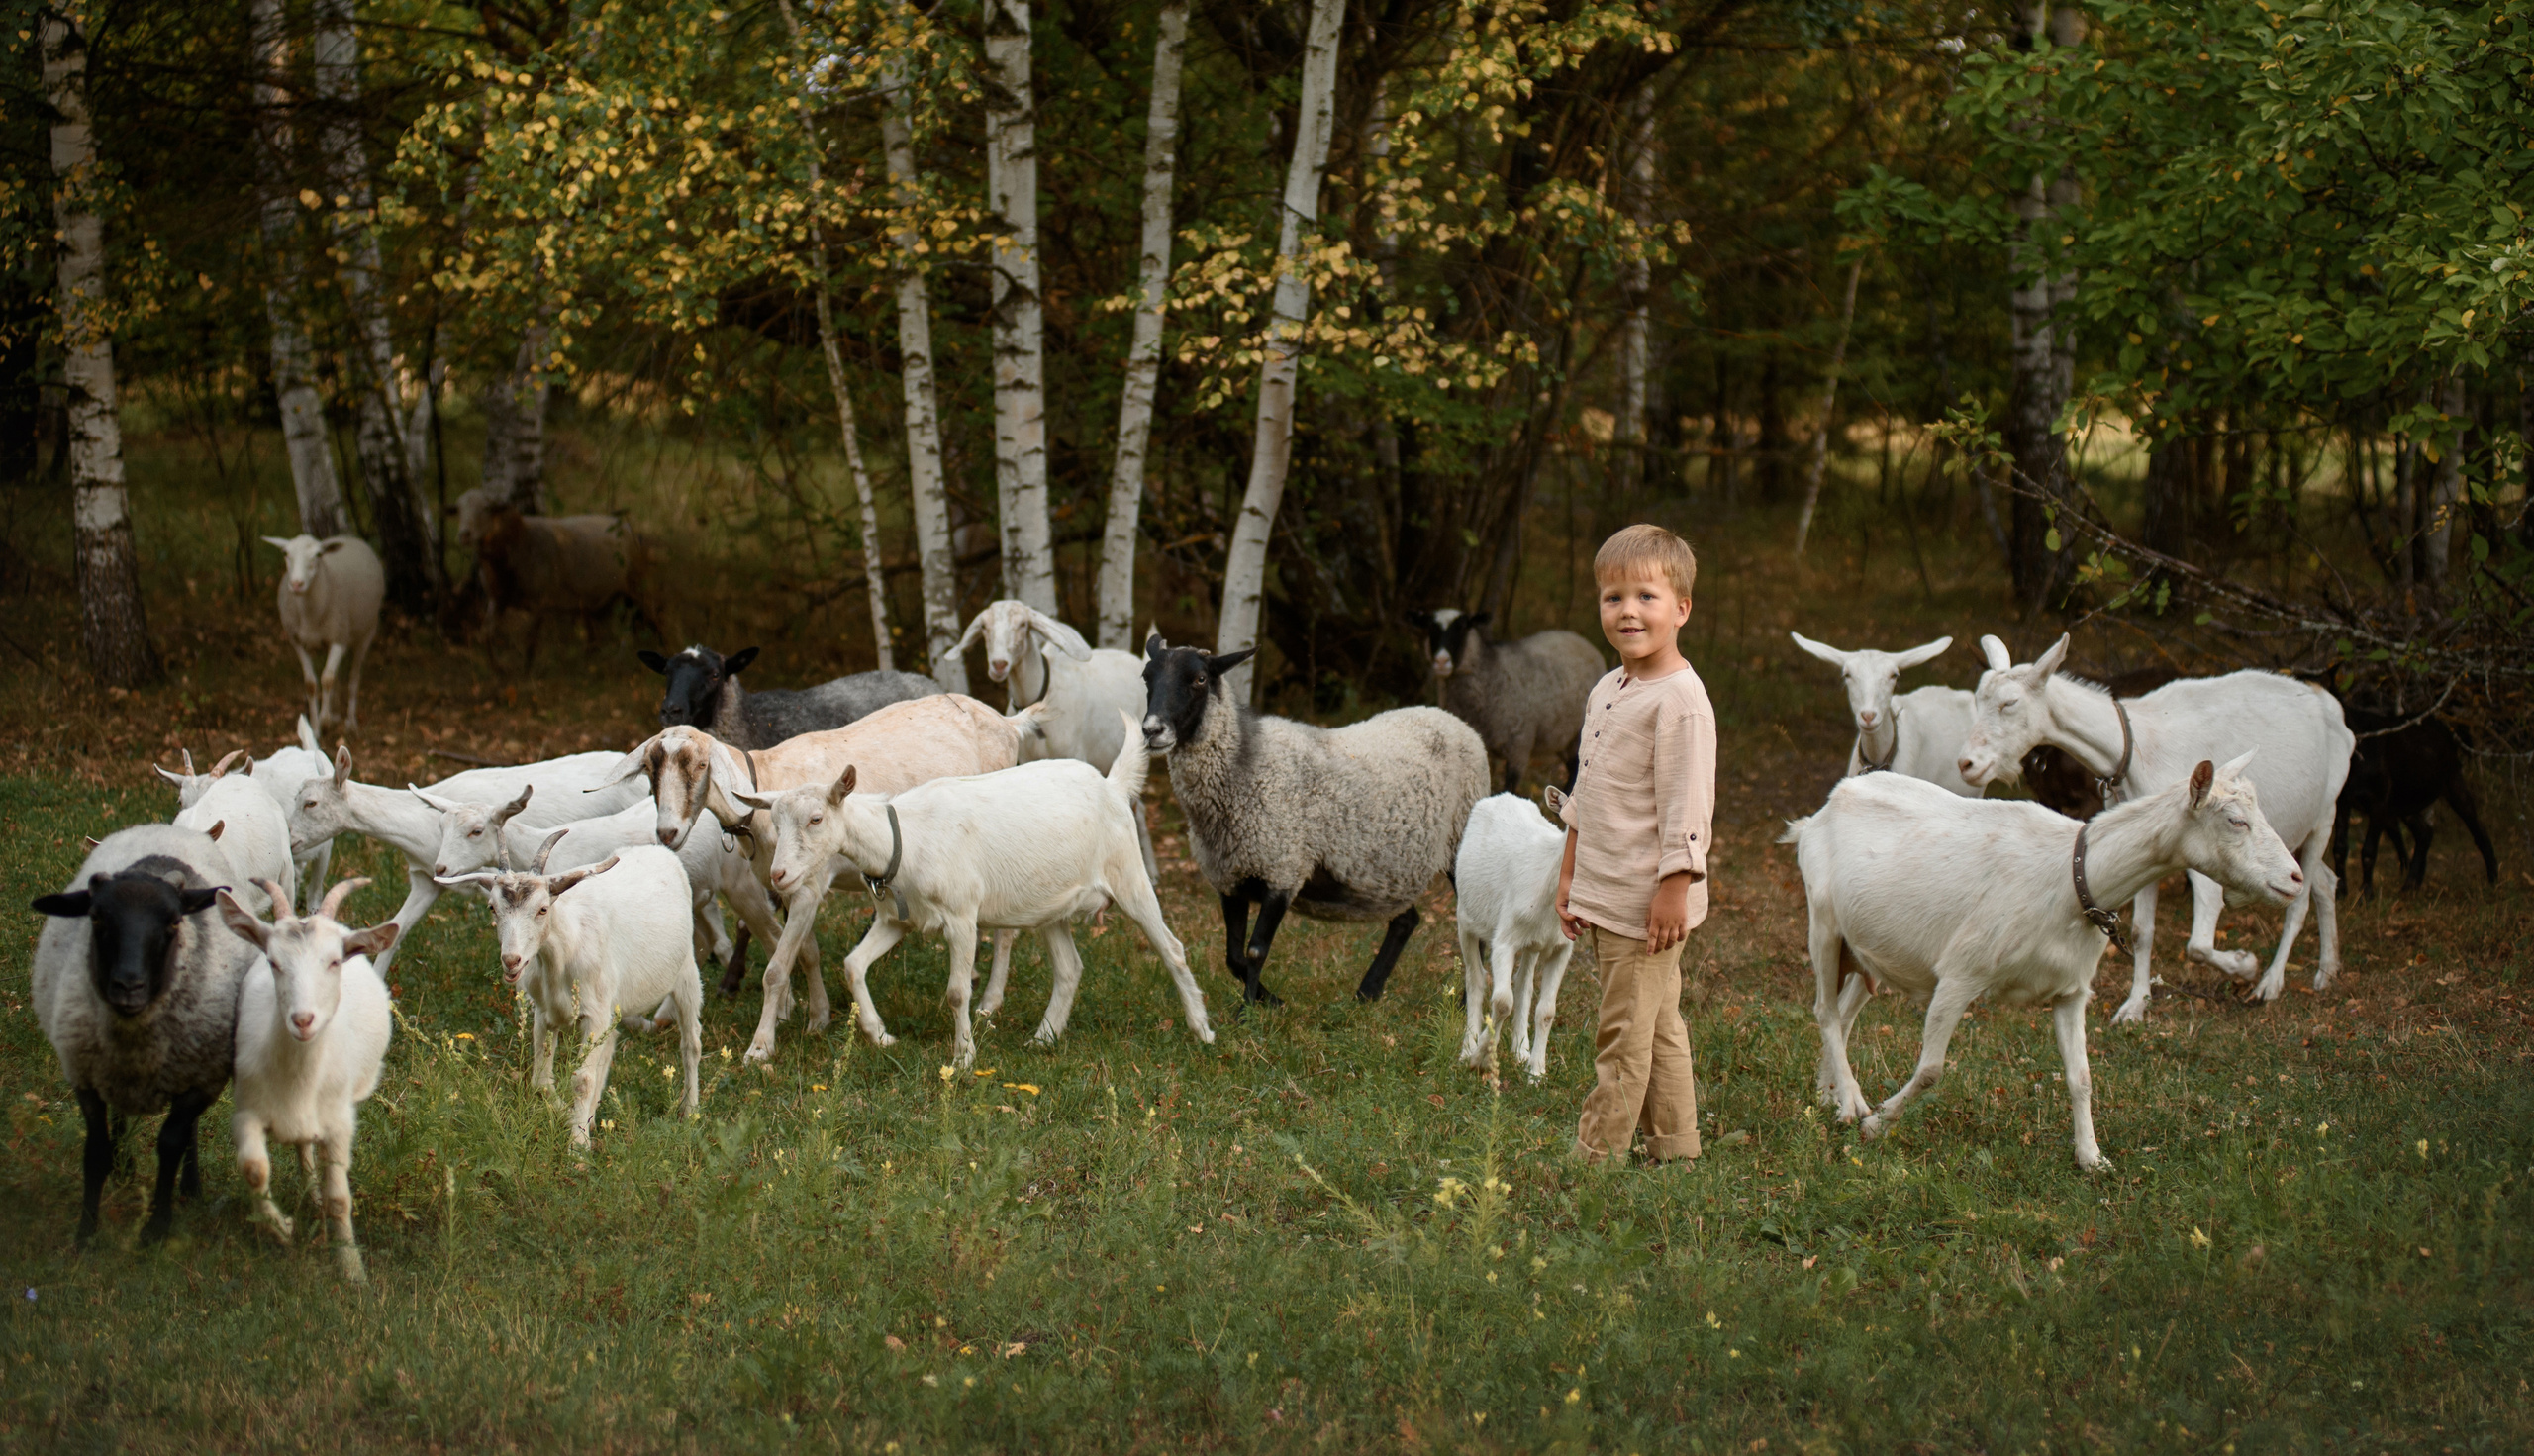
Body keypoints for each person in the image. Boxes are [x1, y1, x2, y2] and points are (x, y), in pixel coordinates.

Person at [1555, 523, 1716, 1164]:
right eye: (1613, 597)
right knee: (1659, 1024)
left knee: (1623, 1033)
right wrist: (1571, 877)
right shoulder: (1608, 688)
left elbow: (1687, 807)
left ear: (1681, 608)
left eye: (1646, 596)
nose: (1628, 611)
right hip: (1608, 888)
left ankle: (1595, 1157)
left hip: (1648, 905)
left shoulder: (1680, 702)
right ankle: (1676, 1147)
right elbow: (1586, 792)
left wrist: (1674, 888)